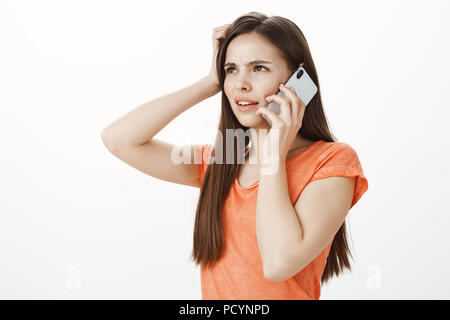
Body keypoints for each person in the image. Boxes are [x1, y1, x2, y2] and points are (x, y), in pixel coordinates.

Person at [101, 12, 369, 300]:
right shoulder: (225, 158)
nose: (241, 84)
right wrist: (209, 82)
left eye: (259, 68)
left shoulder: (332, 161)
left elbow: (278, 264)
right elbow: (119, 140)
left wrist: (273, 153)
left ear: (297, 79)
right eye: (231, 69)